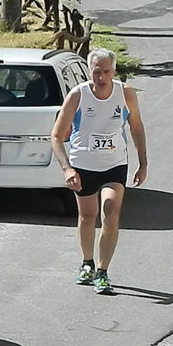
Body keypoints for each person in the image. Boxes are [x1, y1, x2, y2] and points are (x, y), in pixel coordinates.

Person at [51, 48, 148, 295]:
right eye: (96, 72)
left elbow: (136, 127)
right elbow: (56, 136)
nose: (101, 77)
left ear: (113, 71)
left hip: (114, 164)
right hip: (83, 165)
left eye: (106, 72)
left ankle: (103, 272)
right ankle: (87, 263)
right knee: (87, 215)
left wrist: (143, 162)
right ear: (89, 71)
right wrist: (67, 168)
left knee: (110, 213)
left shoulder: (125, 93)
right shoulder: (78, 95)